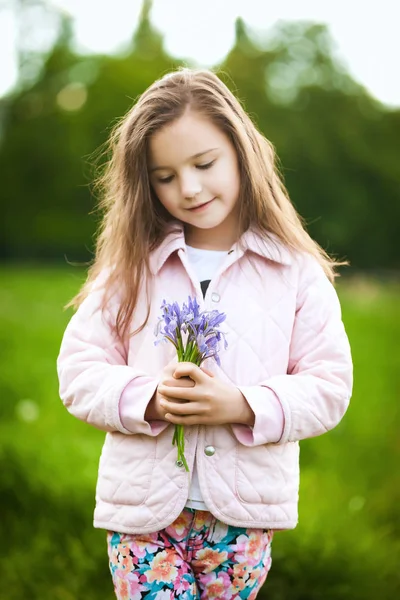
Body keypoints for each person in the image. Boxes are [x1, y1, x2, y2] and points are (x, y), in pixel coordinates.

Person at [57, 67, 353, 600]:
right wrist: (147, 398)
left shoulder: (295, 271)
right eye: (164, 176)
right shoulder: (132, 265)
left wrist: (242, 404)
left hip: (241, 519)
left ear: (242, 151)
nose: (188, 188)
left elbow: (330, 386)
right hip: (142, 516)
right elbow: (78, 370)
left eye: (204, 164)